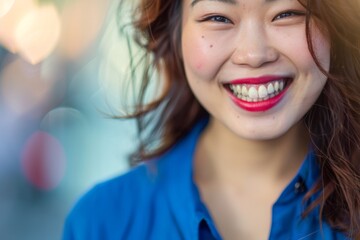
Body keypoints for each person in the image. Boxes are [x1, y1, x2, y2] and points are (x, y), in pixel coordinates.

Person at [62, 0, 360, 239]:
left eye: (287, 13)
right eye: (218, 17)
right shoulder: (101, 222)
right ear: (174, 31)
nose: (253, 54)